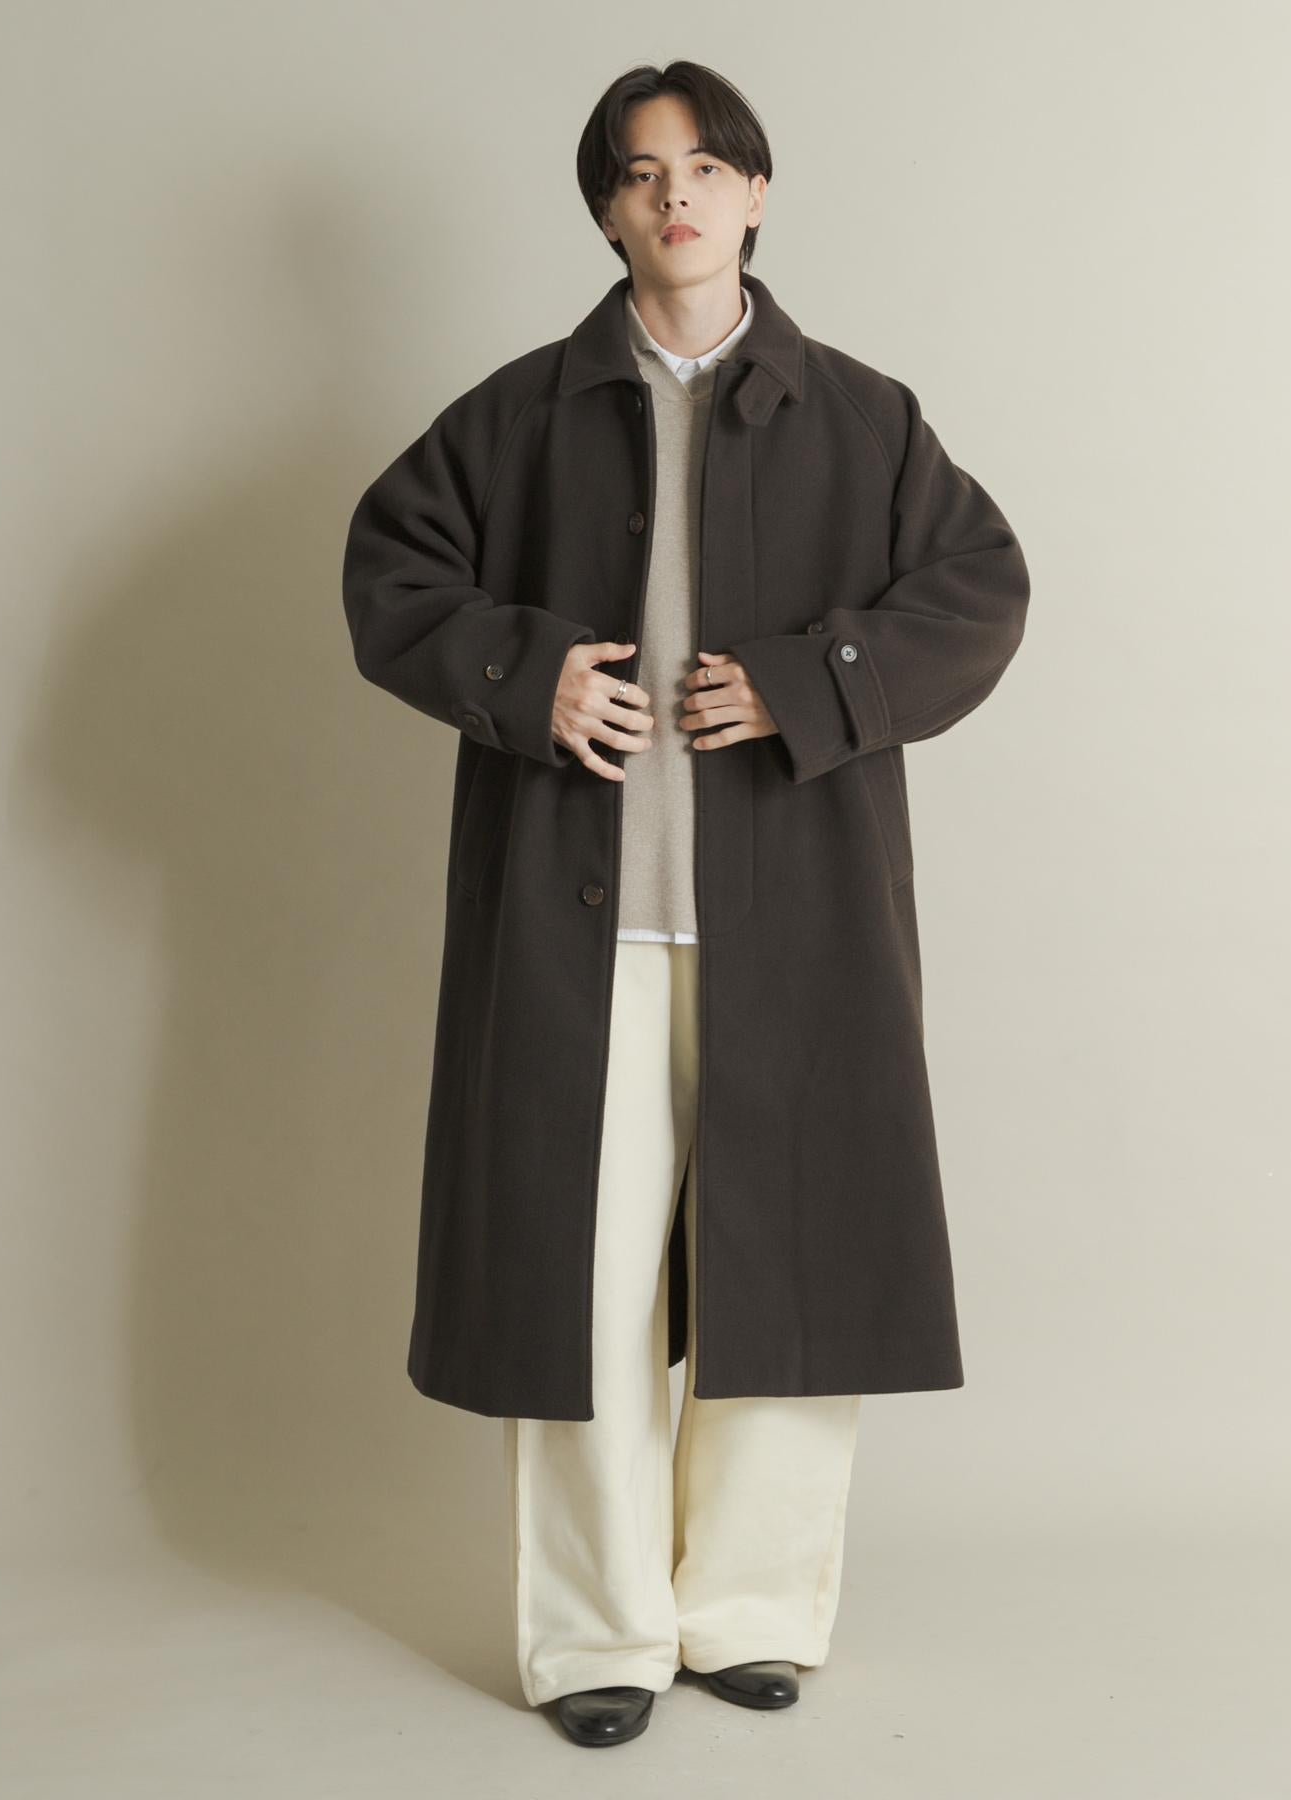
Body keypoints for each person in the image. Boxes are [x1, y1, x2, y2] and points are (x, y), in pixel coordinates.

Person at [341, 59, 1030, 1748]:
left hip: (793, 922)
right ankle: (596, 1638)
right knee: (576, 1288)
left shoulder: (863, 417)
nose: (680, 196)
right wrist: (525, 675)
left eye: (710, 166)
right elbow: (390, 570)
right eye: (645, 173)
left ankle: (750, 1616)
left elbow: (981, 592)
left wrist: (813, 679)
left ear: (759, 194)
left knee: (789, 1261)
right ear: (606, 209)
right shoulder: (520, 413)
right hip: (574, 924)